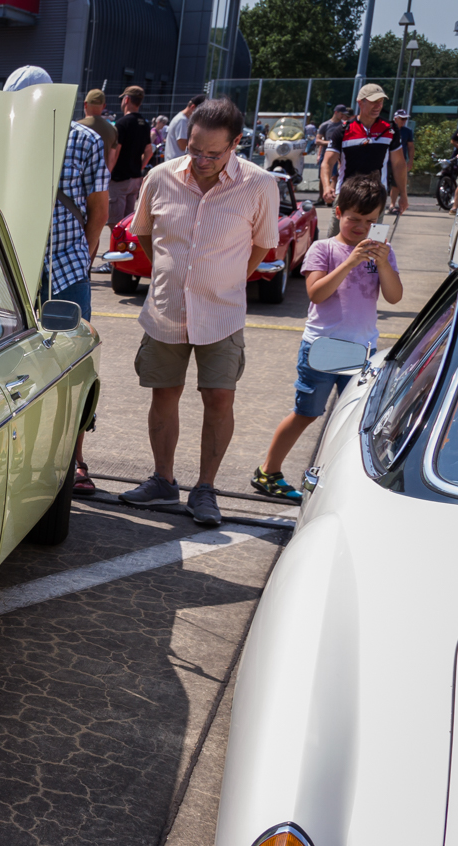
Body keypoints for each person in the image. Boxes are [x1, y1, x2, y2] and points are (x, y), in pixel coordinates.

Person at [119, 97, 278, 527]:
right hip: (167, 308)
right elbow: (146, 235)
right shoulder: (160, 177)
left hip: (222, 313)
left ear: (236, 143)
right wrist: (174, 276)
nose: (203, 160)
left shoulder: (259, 184)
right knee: (163, 393)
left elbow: (262, 245)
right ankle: (163, 481)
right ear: (186, 138)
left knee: (219, 398)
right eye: (195, 150)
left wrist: (222, 281)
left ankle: (205, 489)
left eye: (214, 153)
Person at [252, 174, 402, 501]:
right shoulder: (324, 249)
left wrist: (384, 264)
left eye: (370, 221)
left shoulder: (383, 254)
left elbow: (394, 297)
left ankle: (335, 481)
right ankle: (268, 471)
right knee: (307, 412)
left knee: (355, 421)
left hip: (361, 349)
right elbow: (317, 294)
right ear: (337, 212)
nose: (361, 227)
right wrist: (350, 262)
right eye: (354, 219)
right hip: (322, 347)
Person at [7, 64, 107, 496]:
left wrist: (81, 260)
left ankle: (73, 459)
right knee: (15, 366)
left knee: (72, 364)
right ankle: (19, 458)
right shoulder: (4, 132)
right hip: (14, 271)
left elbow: (98, 208)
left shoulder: (84, 140)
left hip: (63, 267)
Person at [321, 84, 407, 223]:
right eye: (374, 101)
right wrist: (326, 186)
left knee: (373, 243)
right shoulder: (342, 130)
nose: (378, 105)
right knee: (336, 243)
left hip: (376, 197)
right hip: (346, 196)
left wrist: (403, 194)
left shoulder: (390, 130)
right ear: (360, 102)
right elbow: (327, 162)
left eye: (381, 101)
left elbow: (399, 164)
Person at [110, 86, 154, 225]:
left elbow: (115, 152)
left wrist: (108, 172)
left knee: (115, 223)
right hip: (135, 178)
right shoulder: (145, 124)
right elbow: (149, 151)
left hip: (119, 178)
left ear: (127, 99)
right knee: (128, 223)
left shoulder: (122, 123)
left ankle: (116, 246)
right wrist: (140, 167)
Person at [79, 88, 120, 173]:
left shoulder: (76, 127)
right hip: (100, 180)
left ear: (85, 104)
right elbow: (111, 160)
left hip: (77, 180)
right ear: (104, 106)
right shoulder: (112, 129)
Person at [164, 93, 205, 161]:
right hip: (176, 163)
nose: (201, 115)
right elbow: (183, 146)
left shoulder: (182, 119)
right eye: (200, 112)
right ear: (192, 107)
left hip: (175, 161)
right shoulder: (182, 121)